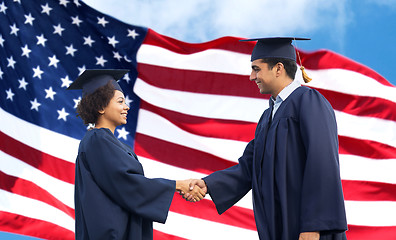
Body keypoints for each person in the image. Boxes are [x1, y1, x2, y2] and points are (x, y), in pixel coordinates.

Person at [188, 38, 348, 240]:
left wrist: (313, 226)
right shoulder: (267, 117)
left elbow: (322, 162)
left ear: (278, 68)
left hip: (307, 229)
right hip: (279, 228)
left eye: (256, 69)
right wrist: (209, 184)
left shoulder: (308, 101)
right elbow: (248, 166)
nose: (251, 76)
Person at [68, 69, 205, 240]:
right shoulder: (97, 140)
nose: (127, 107)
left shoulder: (113, 144)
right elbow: (126, 183)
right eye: (120, 101)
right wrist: (177, 185)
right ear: (101, 106)